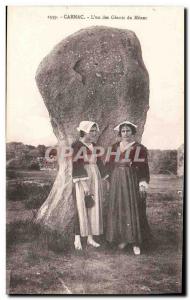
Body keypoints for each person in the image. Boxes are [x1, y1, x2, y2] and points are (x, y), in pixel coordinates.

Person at [105, 121, 150, 255]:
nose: (125, 133)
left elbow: (143, 167)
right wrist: (108, 180)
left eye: (128, 131)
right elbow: (108, 164)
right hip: (117, 180)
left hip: (131, 179)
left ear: (133, 132)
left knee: (132, 208)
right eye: (123, 131)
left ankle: (135, 242)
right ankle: (123, 239)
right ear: (120, 133)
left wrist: (142, 183)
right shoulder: (114, 147)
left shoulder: (139, 148)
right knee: (119, 207)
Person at [72, 121, 107, 250]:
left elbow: (100, 164)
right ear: (83, 131)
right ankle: (77, 239)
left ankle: (90, 238)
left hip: (95, 176)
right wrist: (85, 185)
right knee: (81, 207)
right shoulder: (76, 146)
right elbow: (76, 165)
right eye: (90, 131)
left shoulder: (95, 146)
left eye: (94, 131)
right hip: (82, 179)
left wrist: (106, 178)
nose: (93, 133)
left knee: (93, 206)